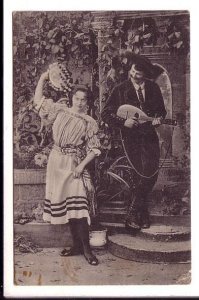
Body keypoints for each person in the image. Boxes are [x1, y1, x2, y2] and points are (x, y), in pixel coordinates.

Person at [34, 67, 101, 265]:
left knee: (79, 208)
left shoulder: (89, 122)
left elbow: (95, 149)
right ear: (72, 98)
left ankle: (88, 250)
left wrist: (81, 166)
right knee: (69, 208)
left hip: (74, 165)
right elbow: (38, 101)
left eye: (84, 100)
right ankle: (76, 246)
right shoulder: (59, 110)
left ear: (88, 102)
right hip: (56, 162)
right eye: (77, 98)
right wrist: (43, 77)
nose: (80, 103)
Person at [101, 60, 167, 231]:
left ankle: (133, 212)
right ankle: (141, 214)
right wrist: (124, 122)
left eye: (137, 73)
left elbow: (161, 111)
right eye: (132, 71)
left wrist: (159, 118)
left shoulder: (153, 88)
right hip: (130, 139)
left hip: (149, 137)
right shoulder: (121, 89)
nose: (133, 75)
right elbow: (105, 113)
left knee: (151, 173)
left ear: (145, 75)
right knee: (137, 174)